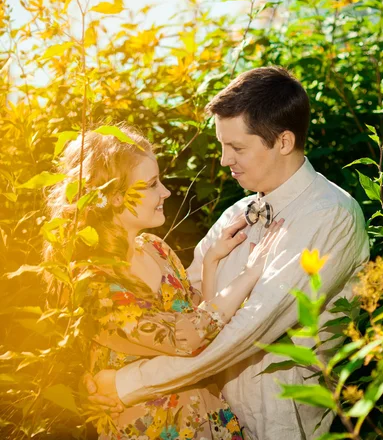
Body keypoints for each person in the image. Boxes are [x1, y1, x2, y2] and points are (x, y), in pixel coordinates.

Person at [85, 66, 370, 440]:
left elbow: (250, 328)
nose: (223, 160)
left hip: (280, 420)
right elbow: (183, 310)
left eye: (236, 147)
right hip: (208, 417)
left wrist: (125, 383)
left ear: (283, 142)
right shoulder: (236, 215)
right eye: (222, 145)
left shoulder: (329, 215)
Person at [46, 123, 284, 440]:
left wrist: (212, 261)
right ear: (115, 198)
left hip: (206, 419)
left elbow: (202, 319)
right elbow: (186, 339)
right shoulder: (92, 281)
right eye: (151, 184)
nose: (165, 192)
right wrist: (252, 272)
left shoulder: (156, 249)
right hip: (150, 430)